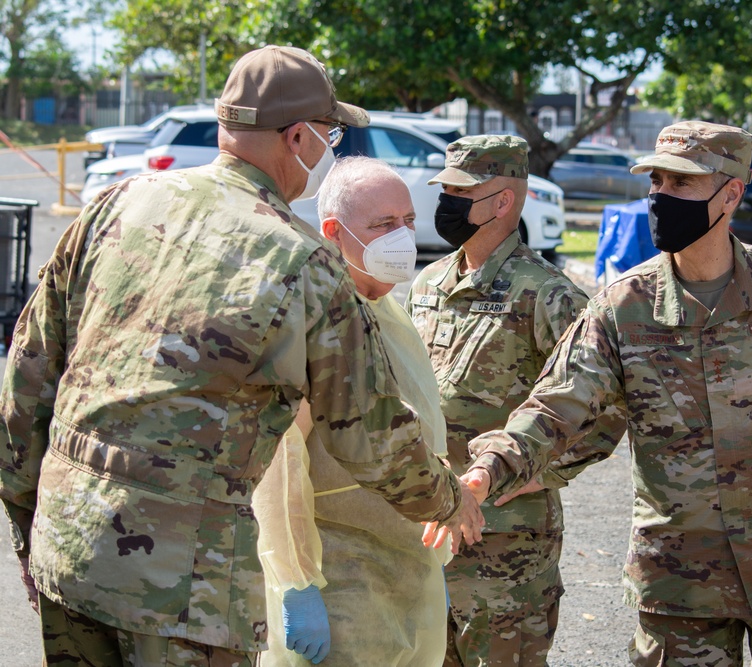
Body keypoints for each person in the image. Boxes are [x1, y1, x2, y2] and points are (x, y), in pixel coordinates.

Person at [0, 45, 482, 666]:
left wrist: (29, 525)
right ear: (300, 137)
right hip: (184, 582)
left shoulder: (117, 205)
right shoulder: (302, 261)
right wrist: (448, 499)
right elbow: (373, 438)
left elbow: (26, 380)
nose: (328, 147)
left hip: (71, 548)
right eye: (329, 133)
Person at [461, 121, 752, 666]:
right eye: (656, 183)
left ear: (732, 193)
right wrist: (489, 469)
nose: (660, 197)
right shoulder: (623, 307)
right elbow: (557, 403)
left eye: (682, 184)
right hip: (679, 585)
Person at [408, 135, 618, 666]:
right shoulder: (428, 283)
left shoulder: (548, 294)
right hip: (428, 525)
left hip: (506, 541)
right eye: (446, 190)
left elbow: (605, 410)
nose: (446, 202)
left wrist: (534, 475)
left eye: (460, 191)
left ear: (503, 202)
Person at [254, 156, 453, 666]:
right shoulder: (314, 318)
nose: (401, 237)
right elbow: (279, 459)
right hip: (339, 573)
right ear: (333, 233)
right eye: (383, 225)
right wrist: (298, 581)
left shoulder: (389, 311)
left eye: (407, 221)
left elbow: (422, 431)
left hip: (406, 565)